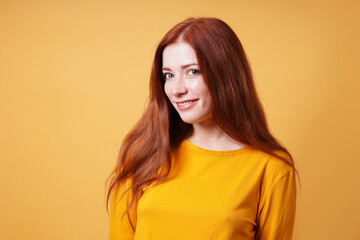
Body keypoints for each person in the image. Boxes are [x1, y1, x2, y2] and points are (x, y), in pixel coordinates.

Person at [107, 17, 297, 240]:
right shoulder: (143, 154)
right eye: (168, 75)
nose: (176, 89)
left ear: (226, 74)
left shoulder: (271, 168)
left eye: (192, 72)